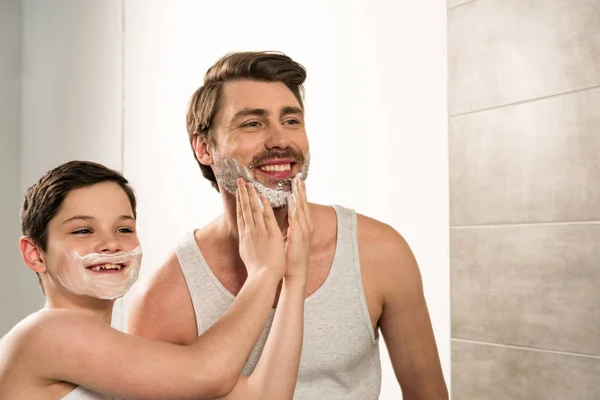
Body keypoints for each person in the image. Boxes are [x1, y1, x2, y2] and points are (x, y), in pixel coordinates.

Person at [128, 52, 449, 399]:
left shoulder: (379, 252)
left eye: (292, 121)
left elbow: (427, 394)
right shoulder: (167, 297)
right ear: (204, 148)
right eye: (253, 123)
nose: (280, 140)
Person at [0, 160, 312, 400]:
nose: (112, 244)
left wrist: (292, 279)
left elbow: (263, 396)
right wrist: (262, 273)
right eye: (83, 230)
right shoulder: (45, 334)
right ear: (34, 254)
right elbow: (207, 372)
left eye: (124, 229)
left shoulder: (121, 360)